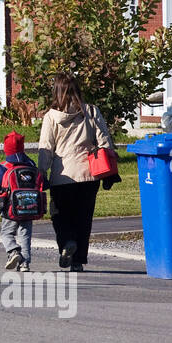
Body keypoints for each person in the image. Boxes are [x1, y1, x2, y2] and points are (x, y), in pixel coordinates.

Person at [36, 73, 117, 272]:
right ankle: (78, 259)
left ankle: (66, 242)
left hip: (62, 176)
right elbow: (104, 141)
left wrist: (41, 172)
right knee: (84, 217)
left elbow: (46, 148)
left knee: (60, 215)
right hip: (89, 174)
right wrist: (110, 168)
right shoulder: (91, 111)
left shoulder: (51, 117)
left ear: (57, 92)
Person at [0, 131, 43, 272]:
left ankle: (13, 252)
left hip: (9, 208)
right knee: (25, 234)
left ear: (5, 149)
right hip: (30, 207)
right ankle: (25, 263)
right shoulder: (31, 164)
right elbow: (43, 183)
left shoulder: (3, 167)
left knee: (7, 233)